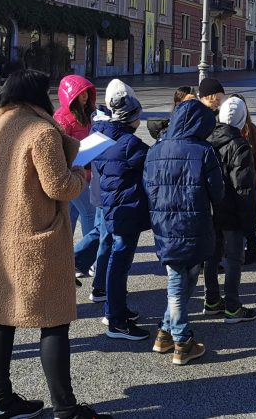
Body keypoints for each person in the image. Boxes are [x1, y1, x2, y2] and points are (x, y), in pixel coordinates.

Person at [0, 70, 111, 419]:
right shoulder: (41, 132)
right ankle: (65, 409)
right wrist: (80, 176)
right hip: (35, 241)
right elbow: (58, 187)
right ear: (40, 97)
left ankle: (2, 401)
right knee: (53, 322)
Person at [143, 99, 224, 365]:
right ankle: (182, 340)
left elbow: (147, 186)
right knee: (179, 284)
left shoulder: (155, 150)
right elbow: (217, 192)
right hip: (195, 223)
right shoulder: (203, 150)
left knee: (185, 280)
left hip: (165, 224)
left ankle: (165, 333)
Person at [91, 80, 151, 341]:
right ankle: (116, 319)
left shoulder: (99, 135)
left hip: (111, 205)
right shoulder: (130, 144)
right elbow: (154, 161)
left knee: (116, 258)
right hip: (126, 209)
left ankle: (116, 309)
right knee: (120, 262)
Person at [203, 96, 256, 323]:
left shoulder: (207, 138)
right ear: (242, 118)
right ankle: (233, 307)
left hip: (212, 208)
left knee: (212, 256)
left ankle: (212, 300)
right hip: (232, 211)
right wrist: (250, 222)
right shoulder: (240, 145)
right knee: (234, 259)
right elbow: (243, 188)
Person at [55, 75, 100, 278]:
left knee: (71, 215)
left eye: (86, 93)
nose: (84, 97)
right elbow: (61, 149)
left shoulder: (88, 113)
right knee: (89, 213)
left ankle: (65, 259)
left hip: (85, 169)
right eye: (80, 94)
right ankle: (89, 259)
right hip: (73, 172)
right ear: (70, 96)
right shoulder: (62, 119)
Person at [231, 93, 256, 264]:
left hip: (250, 179)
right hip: (233, 180)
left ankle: (252, 249)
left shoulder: (251, 129)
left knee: (250, 215)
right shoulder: (225, 129)